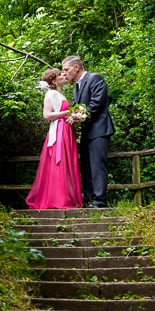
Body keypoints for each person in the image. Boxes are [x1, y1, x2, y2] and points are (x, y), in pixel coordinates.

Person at [25, 68, 83, 210]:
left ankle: (68, 198)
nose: (63, 75)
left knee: (67, 162)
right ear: (53, 80)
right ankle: (58, 199)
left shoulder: (60, 94)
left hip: (67, 130)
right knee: (60, 162)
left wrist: (73, 116)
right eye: (59, 75)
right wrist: (69, 111)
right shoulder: (50, 94)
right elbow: (47, 115)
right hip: (59, 132)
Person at [62, 55, 115, 208]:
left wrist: (78, 116)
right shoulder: (76, 88)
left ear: (76, 67)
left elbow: (96, 103)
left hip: (99, 129)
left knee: (98, 165)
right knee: (86, 166)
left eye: (66, 69)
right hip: (86, 131)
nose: (65, 73)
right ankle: (88, 198)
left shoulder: (95, 78)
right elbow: (76, 107)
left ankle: (99, 201)